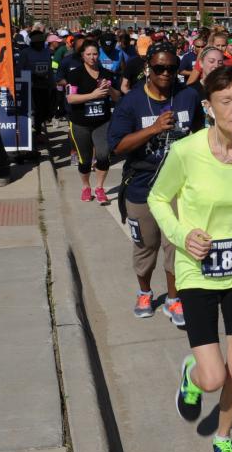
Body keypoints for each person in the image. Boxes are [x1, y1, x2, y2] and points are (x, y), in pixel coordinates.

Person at [110, 44, 204, 325]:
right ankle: (144, 292)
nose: (165, 73)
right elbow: (116, 145)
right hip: (142, 186)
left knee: (175, 245)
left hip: (178, 188)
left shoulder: (187, 96)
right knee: (145, 246)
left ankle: (174, 300)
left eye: (172, 69)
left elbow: (199, 133)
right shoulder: (132, 102)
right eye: (159, 68)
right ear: (148, 67)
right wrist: (153, 129)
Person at [65, 40, 122, 204]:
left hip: (102, 122)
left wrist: (109, 88)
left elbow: (117, 97)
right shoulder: (75, 74)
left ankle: (99, 187)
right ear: (82, 56)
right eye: (88, 54)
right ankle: (85, 187)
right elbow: (71, 98)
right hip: (80, 122)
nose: (92, 57)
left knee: (104, 155)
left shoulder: (106, 73)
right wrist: (93, 95)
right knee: (85, 159)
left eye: (95, 54)